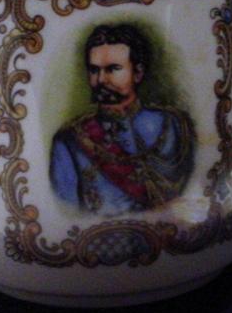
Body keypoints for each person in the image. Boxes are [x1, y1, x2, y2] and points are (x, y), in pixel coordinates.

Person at [50, 24, 195, 216]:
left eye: (113, 69)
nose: (101, 80)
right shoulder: (70, 141)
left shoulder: (174, 125)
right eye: (94, 70)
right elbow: (67, 213)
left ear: (138, 73)